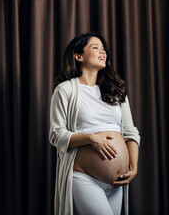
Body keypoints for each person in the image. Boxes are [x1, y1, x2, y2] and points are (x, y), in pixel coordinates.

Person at [49, 32, 140, 215]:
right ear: (78, 56)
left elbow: (131, 132)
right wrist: (91, 138)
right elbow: (56, 134)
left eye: (104, 48)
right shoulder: (66, 90)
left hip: (116, 183)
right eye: (95, 47)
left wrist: (134, 168)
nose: (103, 51)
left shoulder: (116, 90)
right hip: (84, 178)